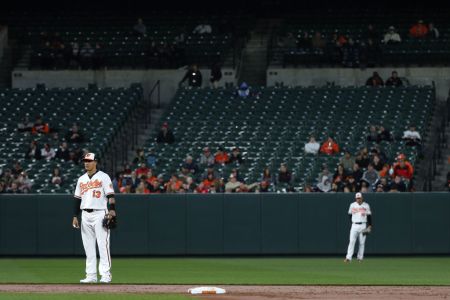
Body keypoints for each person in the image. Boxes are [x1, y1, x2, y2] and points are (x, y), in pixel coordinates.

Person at [72, 153, 116, 284]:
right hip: (85, 214)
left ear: (95, 162)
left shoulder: (104, 177)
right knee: (88, 247)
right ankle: (91, 275)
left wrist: (112, 210)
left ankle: (106, 275)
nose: (86, 163)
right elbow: (77, 199)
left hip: (100, 213)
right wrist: (75, 215)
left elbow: (111, 195)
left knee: (103, 245)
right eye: (85, 161)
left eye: (89, 161)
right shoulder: (81, 179)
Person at [344, 192, 372, 262]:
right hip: (354, 225)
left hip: (363, 225)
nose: (358, 199)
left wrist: (370, 225)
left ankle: (360, 258)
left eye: (359, 198)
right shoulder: (352, 205)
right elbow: (350, 215)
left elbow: (369, 216)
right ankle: (348, 258)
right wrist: (352, 223)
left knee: (362, 243)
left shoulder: (366, 205)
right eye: (357, 198)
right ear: (355, 198)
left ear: (362, 198)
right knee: (351, 241)